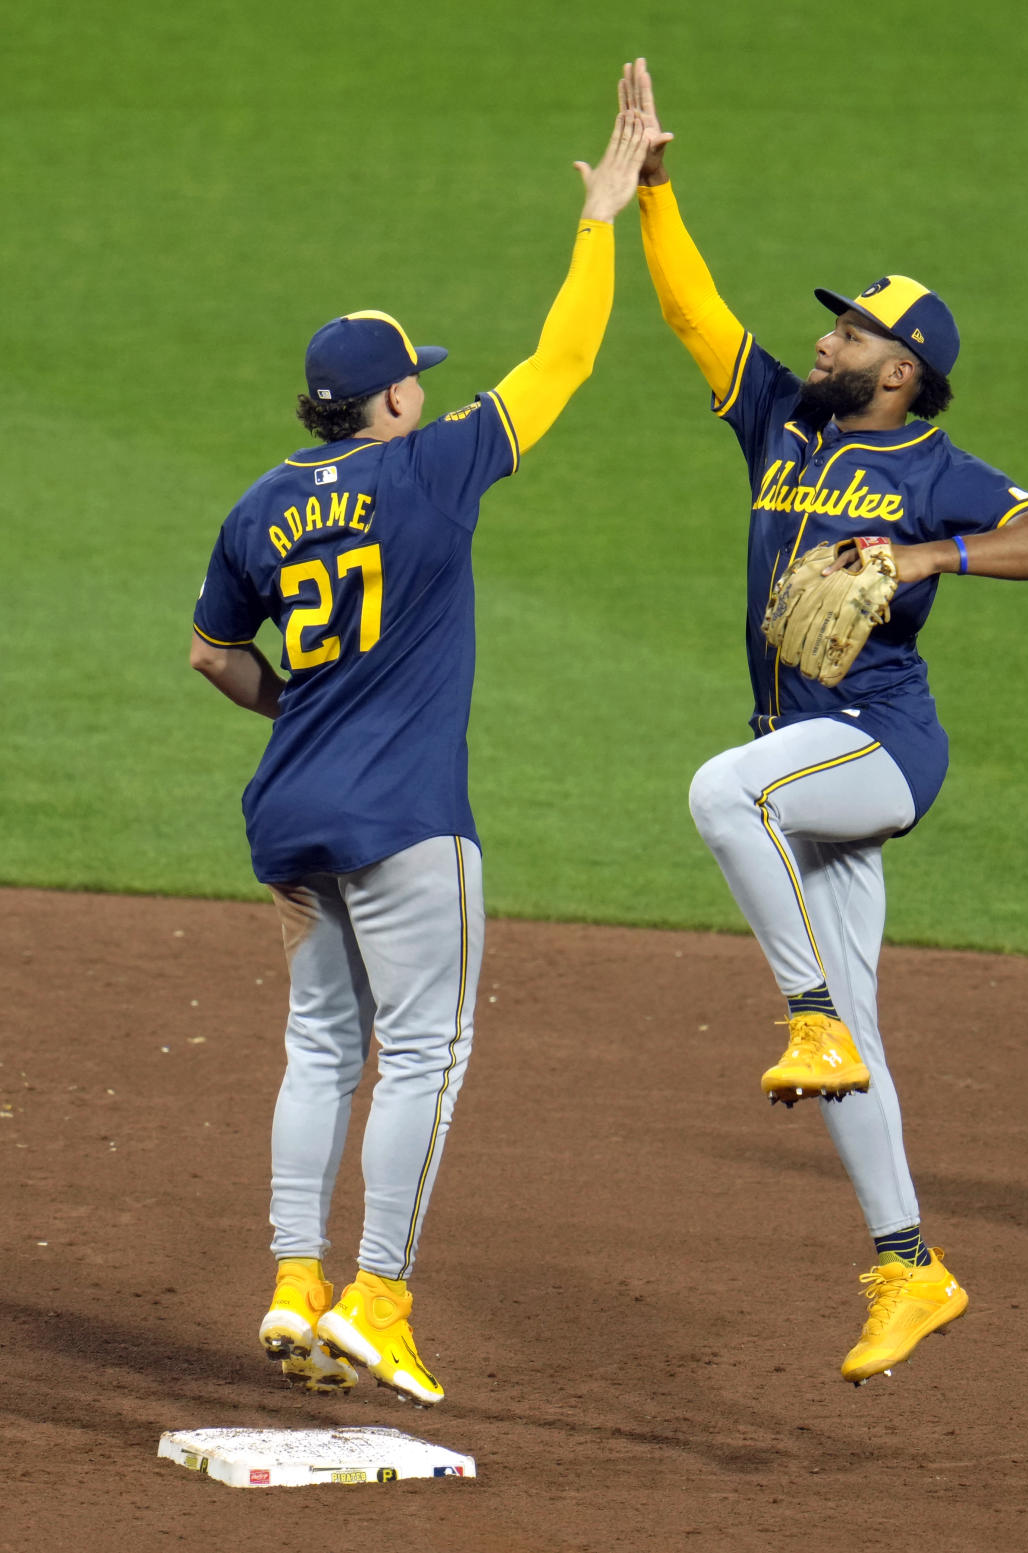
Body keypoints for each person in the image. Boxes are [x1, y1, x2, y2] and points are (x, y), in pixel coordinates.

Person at [620, 59, 1028, 1385]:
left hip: (878, 747)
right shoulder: (779, 421)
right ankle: (907, 1264)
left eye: (849, 335)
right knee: (855, 1053)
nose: (821, 341)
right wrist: (655, 190)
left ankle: (805, 1012)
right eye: (827, 329)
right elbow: (692, 311)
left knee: (724, 791)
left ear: (902, 370)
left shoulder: (937, 470)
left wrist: (934, 558)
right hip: (809, 759)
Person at [189, 109, 653, 1404]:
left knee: (322, 1045)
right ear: (391, 399)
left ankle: (293, 1279)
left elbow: (212, 656)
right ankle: (377, 1295)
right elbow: (561, 359)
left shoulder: (256, 506)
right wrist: (598, 219)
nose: (427, 392)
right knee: (427, 1051)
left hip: (289, 818)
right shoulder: (434, 469)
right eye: (416, 380)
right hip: (404, 818)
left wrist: (299, 706)